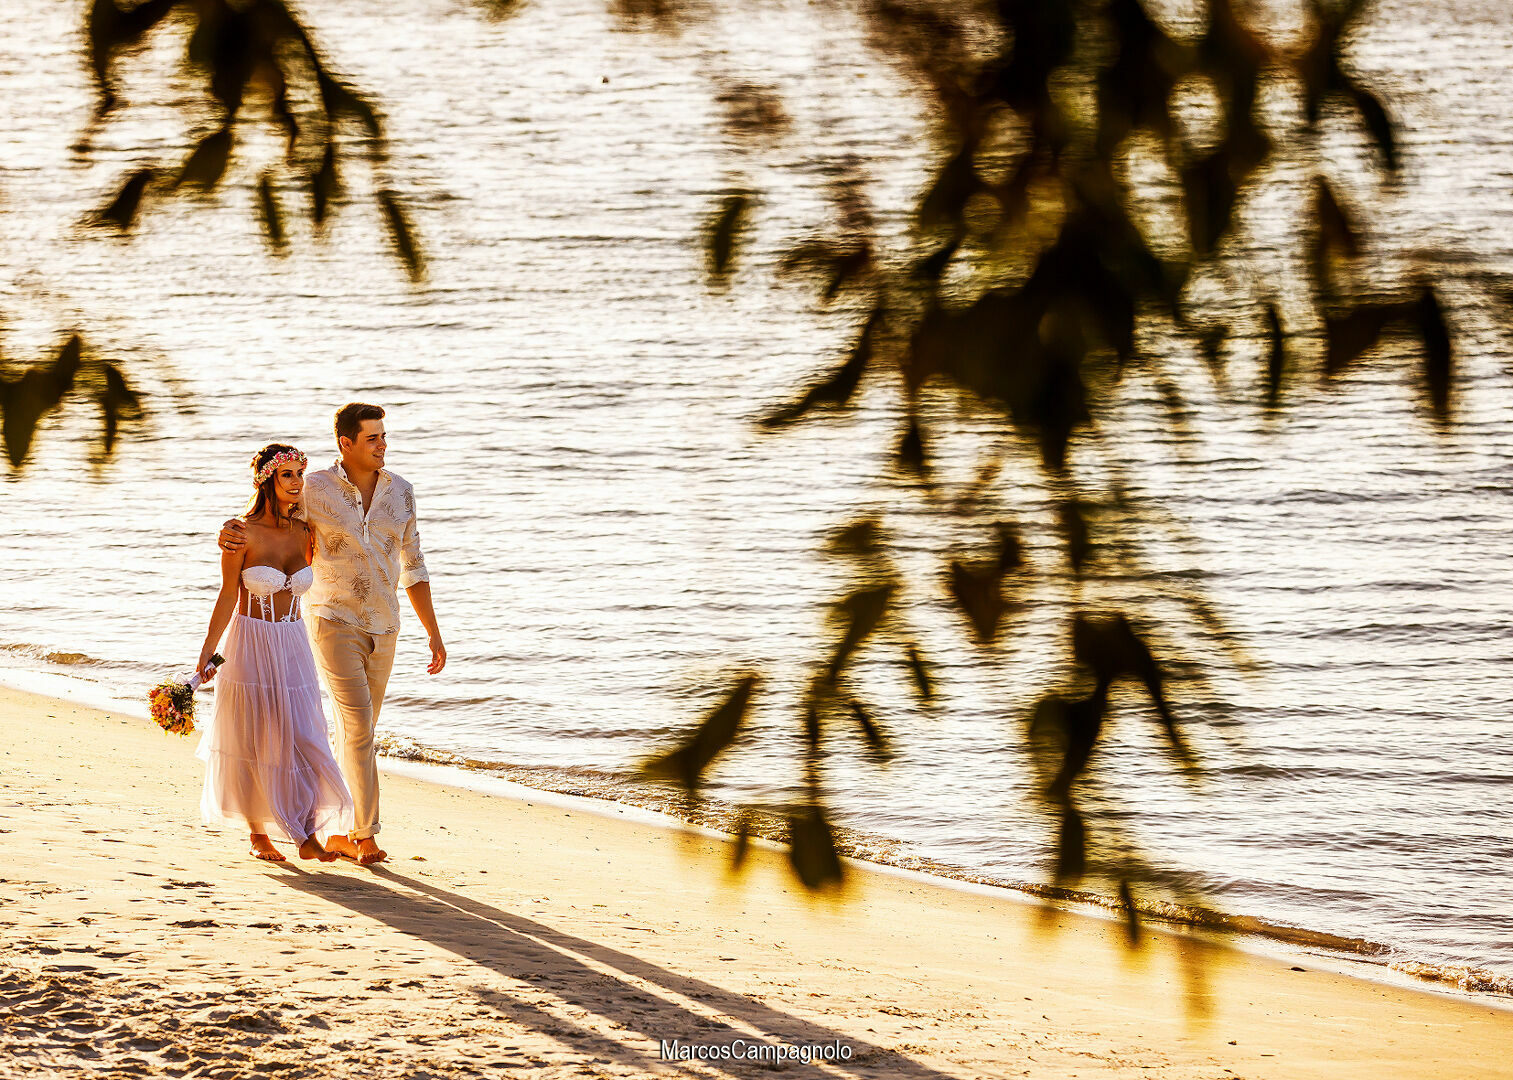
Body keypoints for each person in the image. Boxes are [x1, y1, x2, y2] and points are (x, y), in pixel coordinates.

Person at [219, 403, 445, 866]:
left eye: (384, 436)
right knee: (359, 727)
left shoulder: (402, 492)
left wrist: (433, 633)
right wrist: (230, 531)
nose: (383, 445)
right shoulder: (314, 486)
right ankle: (364, 835)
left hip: (386, 624)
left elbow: (414, 566)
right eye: (373, 438)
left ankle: (338, 828)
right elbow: (269, 510)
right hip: (331, 619)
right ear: (346, 443)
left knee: (358, 731)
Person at [195, 443, 353, 863]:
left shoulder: (305, 532)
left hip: (293, 643)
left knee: (305, 736)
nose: (297, 482)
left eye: (301, 474)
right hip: (249, 641)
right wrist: (209, 654)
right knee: (255, 738)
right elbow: (229, 595)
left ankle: (306, 830)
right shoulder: (241, 533)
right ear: (267, 479)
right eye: (288, 475)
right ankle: (261, 833)